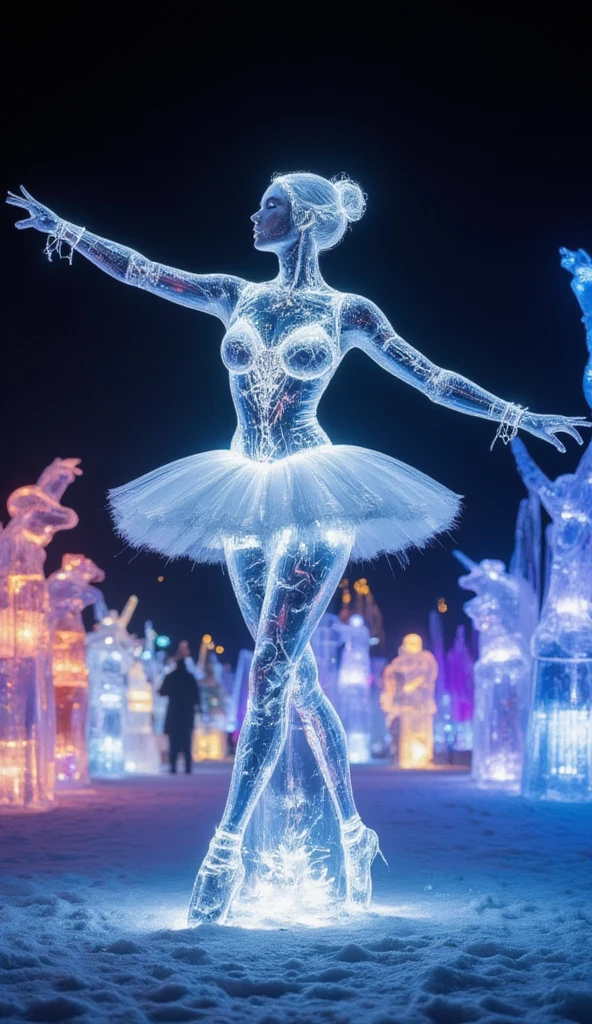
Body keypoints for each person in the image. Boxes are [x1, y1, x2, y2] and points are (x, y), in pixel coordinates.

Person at [7, 173, 588, 925]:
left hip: (318, 492)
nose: (254, 214)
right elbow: (145, 271)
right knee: (299, 677)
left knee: (276, 669)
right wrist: (71, 231)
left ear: (307, 221)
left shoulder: (349, 311)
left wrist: (516, 413)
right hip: (243, 491)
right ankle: (352, 831)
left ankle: (224, 849)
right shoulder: (234, 294)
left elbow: (430, 377)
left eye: (271, 205)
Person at [159, 658, 201, 774]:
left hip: (174, 712)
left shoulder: (171, 676)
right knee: (187, 741)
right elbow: (197, 695)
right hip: (187, 713)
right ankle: (187, 767)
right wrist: (198, 709)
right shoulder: (190, 677)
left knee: (174, 742)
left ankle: (173, 767)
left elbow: (162, 691)